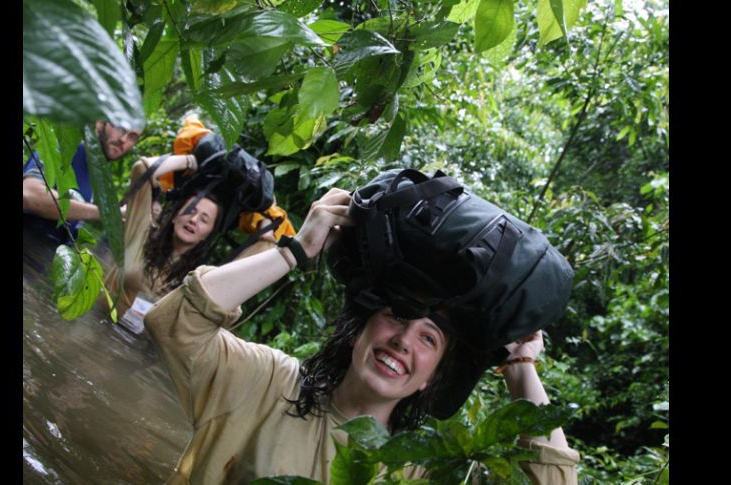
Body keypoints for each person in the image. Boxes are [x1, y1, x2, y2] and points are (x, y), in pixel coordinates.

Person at [144, 184, 580, 483]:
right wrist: (295, 251)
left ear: (431, 377)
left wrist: (520, 366)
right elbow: (173, 323)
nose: (403, 341)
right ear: (359, 330)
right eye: (397, 317)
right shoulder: (266, 382)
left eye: (429, 339)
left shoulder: (421, 470)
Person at [103, 151, 284, 330]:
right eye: (190, 210)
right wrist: (191, 160)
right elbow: (142, 169)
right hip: (99, 327)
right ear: (175, 216)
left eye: (204, 219)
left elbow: (265, 249)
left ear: (208, 233)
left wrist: (267, 210)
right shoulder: (141, 236)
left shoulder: (201, 279)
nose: (194, 220)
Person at [22, 120, 143, 244]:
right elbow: (30, 195)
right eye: (120, 128)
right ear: (99, 123)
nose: (123, 139)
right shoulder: (65, 149)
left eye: (132, 137)